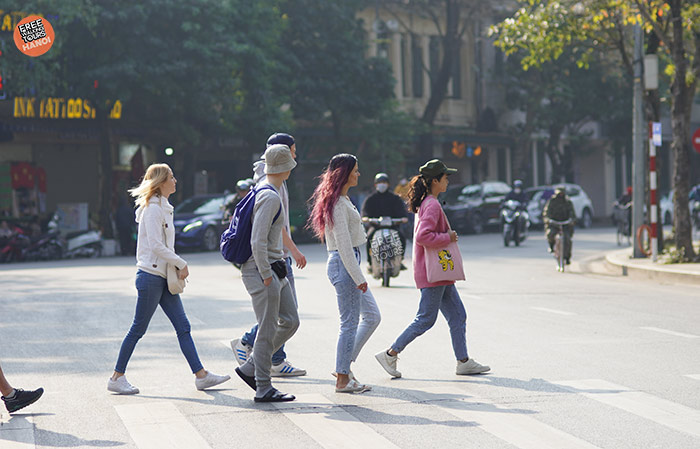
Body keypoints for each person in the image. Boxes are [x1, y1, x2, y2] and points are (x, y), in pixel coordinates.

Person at [108, 163, 230, 395]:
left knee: (183, 326)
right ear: (161, 182)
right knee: (138, 329)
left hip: (162, 277)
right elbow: (155, 245)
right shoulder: (153, 209)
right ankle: (116, 377)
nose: (175, 181)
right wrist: (181, 263)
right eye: (171, 177)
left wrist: (174, 264)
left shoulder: (164, 206)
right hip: (151, 276)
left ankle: (201, 375)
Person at [374, 159, 490, 379]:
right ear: (435, 180)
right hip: (433, 272)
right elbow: (423, 236)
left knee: (457, 315)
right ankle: (390, 353)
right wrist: (448, 236)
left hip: (438, 271)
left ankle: (463, 361)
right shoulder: (432, 204)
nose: (447, 181)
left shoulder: (428, 201)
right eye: (445, 177)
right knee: (426, 318)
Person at [230, 133, 307, 378]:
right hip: (273, 261)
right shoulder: (270, 187)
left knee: (286, 318)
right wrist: (271, 268)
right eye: (292, 151)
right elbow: (261, 235)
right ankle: (257, 358)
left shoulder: (272, 182)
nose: (295, 155)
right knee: (277, 319)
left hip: (276, 260)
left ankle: (265, 363)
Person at [308, 154, 381, 393]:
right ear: (345, 173)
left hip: (348, 262)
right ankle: (342, 378)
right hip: (345, 263)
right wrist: (359, 278)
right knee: (349, 323)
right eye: (356, 170)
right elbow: (343, 244)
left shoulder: (342, 199)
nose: (359, 174)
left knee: (372, 316)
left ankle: (344, 366)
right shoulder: (338, 204)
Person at [361, 173, 408, 266]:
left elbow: (402, 213)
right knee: (369, 238)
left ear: (388, 184)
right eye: (379, 182)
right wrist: (366, 218)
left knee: (402, 237)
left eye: (384, 182)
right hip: (376, 227)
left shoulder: (395, 198)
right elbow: (365, 212)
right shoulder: (371, 199)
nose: (382, 184)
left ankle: (400, 259)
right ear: (375, 185)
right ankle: (370, 262)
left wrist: (403, 218)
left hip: (393, 226)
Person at [543, 186, 576, 264]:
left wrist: (571, 220)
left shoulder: (568, 202)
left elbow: (572, 213)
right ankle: (551, 246)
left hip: (565, 224)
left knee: (567, 239)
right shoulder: (552, 201)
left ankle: (567, 257)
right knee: (550, 234)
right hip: (554, 224)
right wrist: (548, 220)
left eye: (562, 193)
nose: (560, 195)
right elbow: (546, 212)